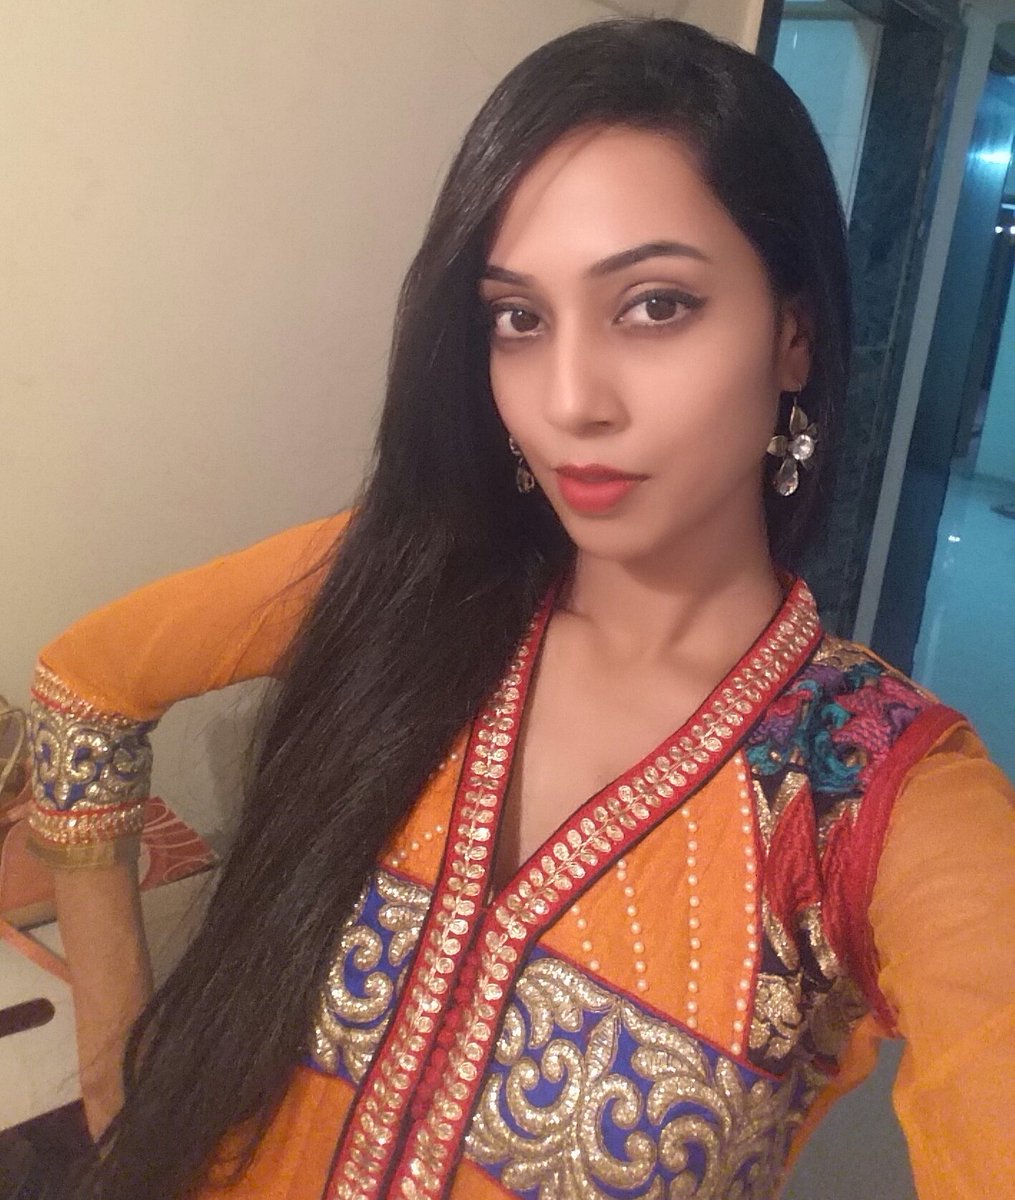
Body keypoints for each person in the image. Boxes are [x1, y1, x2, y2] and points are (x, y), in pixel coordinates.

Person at [25, 17, 1014, 1200]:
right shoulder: (408, 582)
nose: (567, 400)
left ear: (791, 335)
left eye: (655, 305)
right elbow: (86, 683)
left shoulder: (869, 796)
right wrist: (121, 1095)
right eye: (518, 318)